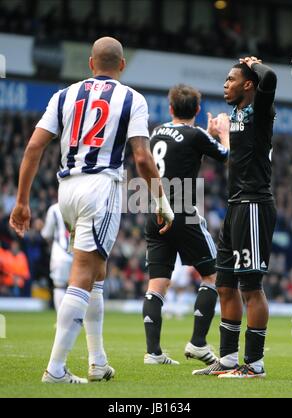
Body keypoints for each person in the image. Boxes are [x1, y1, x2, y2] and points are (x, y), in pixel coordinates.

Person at [10, 37, 174, 384]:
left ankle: (98, 362)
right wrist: (162, 203)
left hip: (66, 189)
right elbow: (143, 159)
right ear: (122, 66)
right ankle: (55, 369)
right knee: (85, 272)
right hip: (101, 188)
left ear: (90, 63)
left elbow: (34, 146)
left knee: (97, 271)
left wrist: (22, 200)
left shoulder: (64, 95)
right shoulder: (132, 98)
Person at [194, 57, 277, 378]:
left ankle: (254, 364)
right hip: (235, 207)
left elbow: (269, 78)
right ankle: (228, 358)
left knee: (251, 288)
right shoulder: (238, 115)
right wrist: (224, 137)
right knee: (225, 285)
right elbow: (240, 158)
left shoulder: (262, 111)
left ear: (248, 85)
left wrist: (253, 64)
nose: (224, 85)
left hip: (254, 205)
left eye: (231, 79)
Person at [143, 84, 230, 365]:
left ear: (170, 109)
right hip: (182, 210)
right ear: (197, 110)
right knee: (213, 276)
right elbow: (226, 156)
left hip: (154, 209)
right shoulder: (195, 134)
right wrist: (222, 134)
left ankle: (153, 352)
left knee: (157, 285)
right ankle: (198, 344)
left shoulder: (157, 131)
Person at [41, 203, 73, 312]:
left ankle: (61, 319)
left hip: (60, 254)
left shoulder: (54, 209)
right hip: (80, 253)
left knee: (59, 286)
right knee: (79, 287)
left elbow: (46, 234)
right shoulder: (81, 204)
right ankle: (75, 318)